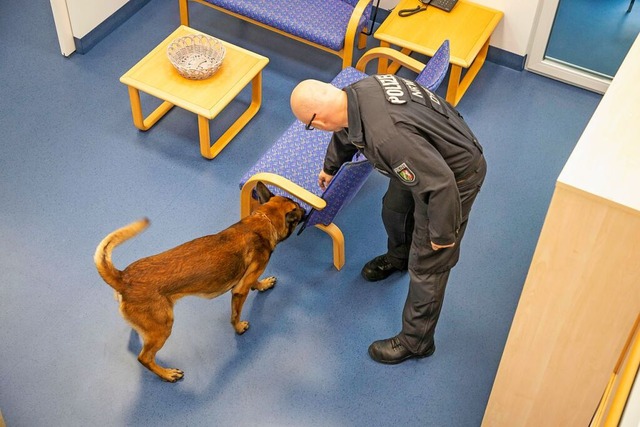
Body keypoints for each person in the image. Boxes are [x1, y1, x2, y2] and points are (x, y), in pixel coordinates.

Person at [289, 74, 486, 364]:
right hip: (424, 155)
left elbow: (441, 185)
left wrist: (443, 237)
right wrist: (332, 165)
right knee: (394, 209)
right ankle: (400, 257)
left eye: (309, 125)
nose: (314, 129)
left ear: (317, 121)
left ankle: (417, 341)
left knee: (429, 263)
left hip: (455, 175)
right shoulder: (353, 96)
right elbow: (347, 130)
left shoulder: (387, 137)